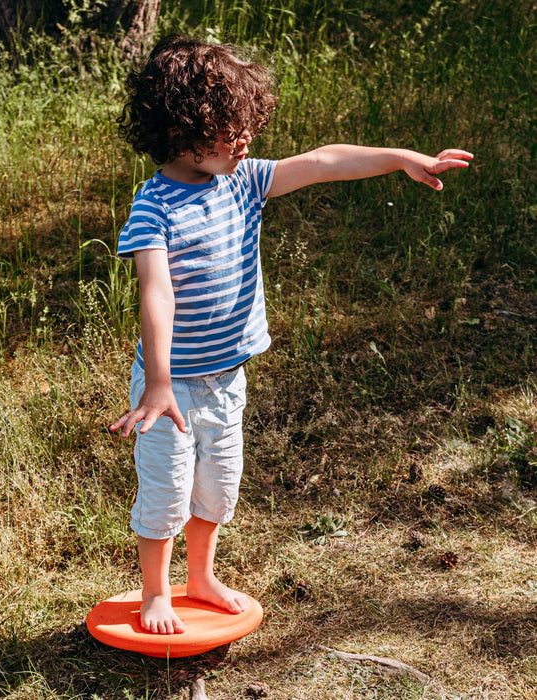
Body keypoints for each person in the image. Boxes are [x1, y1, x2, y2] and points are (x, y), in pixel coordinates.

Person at [110, 35, 472, 635]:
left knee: (216, 491)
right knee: (165, 495)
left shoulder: (243, 180)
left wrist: (402, 156)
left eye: (247, 126)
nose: (245, 140)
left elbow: (323, 161)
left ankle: (199, 577)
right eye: (230, 130)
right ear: (182, 131)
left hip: (226, 379)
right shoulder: (155, 208)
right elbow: (156, 293)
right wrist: (157, 383)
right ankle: (156, 593)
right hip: (168, 392)